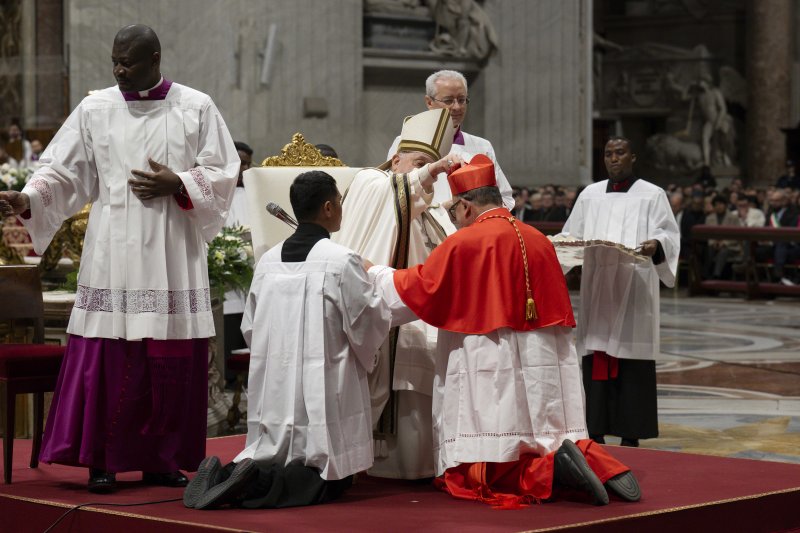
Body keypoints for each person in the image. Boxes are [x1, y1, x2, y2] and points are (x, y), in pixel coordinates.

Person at [0, 24, 239, 493]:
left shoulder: (195, 106)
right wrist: (28, 198)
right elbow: (64, 171)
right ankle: (102, 460)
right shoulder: (96, 108)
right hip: (113, 249)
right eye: (114, 61)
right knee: (109, 357)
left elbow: (225, 171)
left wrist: (182, 184)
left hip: (172, 249)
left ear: (155, 56)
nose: (119, 69)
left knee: (167, 356)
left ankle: (163, 460)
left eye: (128, 61)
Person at [368, 155, 640, 507]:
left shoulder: (465, 242)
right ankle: (598, 464)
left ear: (465, 206)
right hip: (544, 357)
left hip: (489, 355)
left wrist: (374, 273)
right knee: (542, 434)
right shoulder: (538, 238)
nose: (454, 220)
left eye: (453, 212)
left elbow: (421, 288)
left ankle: (553, 472)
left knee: (479, 468)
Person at [183, 171, 399, 510]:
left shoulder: (268, 262)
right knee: (323, 477)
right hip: (325, 384)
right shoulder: (342, 261)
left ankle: (224, 475)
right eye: (340, 202)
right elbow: (367, 321)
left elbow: (251, 327)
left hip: (276, 385)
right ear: (328, 208)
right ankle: (254, 485)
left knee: (272, 453)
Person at [334, 108, 461, 481]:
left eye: (431, 165)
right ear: (396, 159)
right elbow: (397, 192)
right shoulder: (371, 182)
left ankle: (421, 464)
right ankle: (381, 464)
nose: (428, 173)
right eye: (419, 162)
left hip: (416, 305)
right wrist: (430, 171)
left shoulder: (428, 206)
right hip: (381, 304)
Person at [560, 137, 680, 448]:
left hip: (634, 287)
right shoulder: (590, 194)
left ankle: (631, 433)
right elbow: (572, 233)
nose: (614, 159)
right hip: (599, 286)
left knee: (632, 355)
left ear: (633, 156)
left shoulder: (652, 194)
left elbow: (668, 233)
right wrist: (560, 246)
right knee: (596, 349)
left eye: (620, 153)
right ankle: (595, 429)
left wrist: (656, 245)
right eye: (608, 153)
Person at [387, 70, 514, 223]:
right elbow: (394, 195)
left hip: (469, 235)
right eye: (448, 101)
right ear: (429, 102)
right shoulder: (406, 142)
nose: (457, 107)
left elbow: (504, 198)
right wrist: (444, 212)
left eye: (462, 100)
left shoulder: (482, 146)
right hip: (424, 235)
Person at [222, 141, 254, 384]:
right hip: (227, 278)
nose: (244, 168)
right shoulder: (219, 192)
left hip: (252, 275)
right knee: (230, 336)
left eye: (248, 164)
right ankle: (230, 382)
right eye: (240, 162)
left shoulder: (255, 192)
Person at [703, 194, 741, 280]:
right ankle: (706, 274)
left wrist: (724, 243)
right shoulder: (709, 218)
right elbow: (707, 234)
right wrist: (714, 242)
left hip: (731, 246)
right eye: (716, 205)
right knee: (708, 249)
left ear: (725, 205)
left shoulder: (733, 217)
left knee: (723, 251)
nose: (718, 207)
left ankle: (717, 275)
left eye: (720, 204)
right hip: (714, 245)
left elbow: (737, 235)